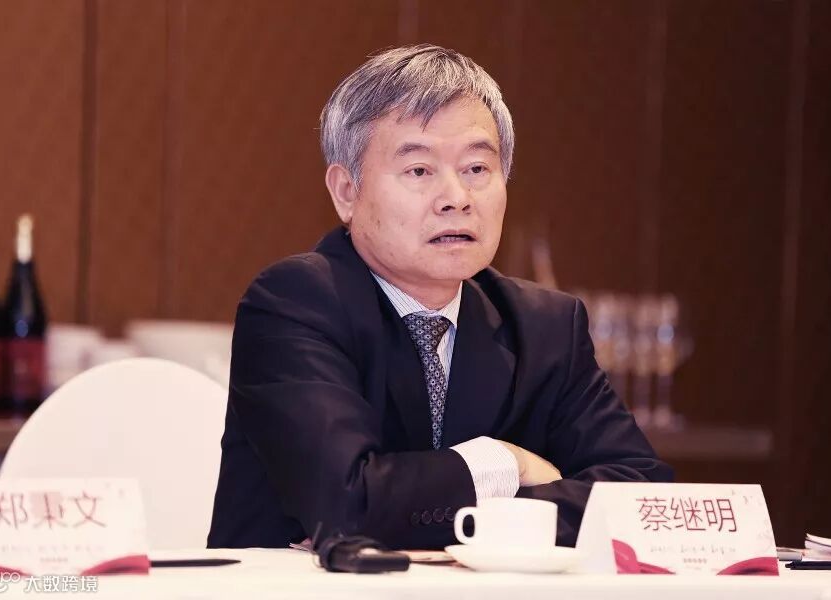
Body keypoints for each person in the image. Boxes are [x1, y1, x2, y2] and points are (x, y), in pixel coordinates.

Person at [207, 44, 672, 550]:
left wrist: (480, 514)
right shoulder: (295, 304)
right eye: (419, 171)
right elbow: (348, 508)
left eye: (477, 169)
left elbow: (639, 499)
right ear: (346, 191)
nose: (456, 198)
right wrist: (504, 463)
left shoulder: (545, 326)